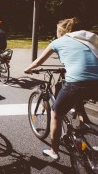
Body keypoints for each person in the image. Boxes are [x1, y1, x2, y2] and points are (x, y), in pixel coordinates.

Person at [24, 17, 98, 161]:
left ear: (61, 31)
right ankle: (85, 127)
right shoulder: (88, 41)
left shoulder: (57, 42)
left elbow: (38, 62)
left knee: (56, 114)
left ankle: (54, 150)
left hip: (77, 83)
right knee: (79, 98)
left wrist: (28, 69)